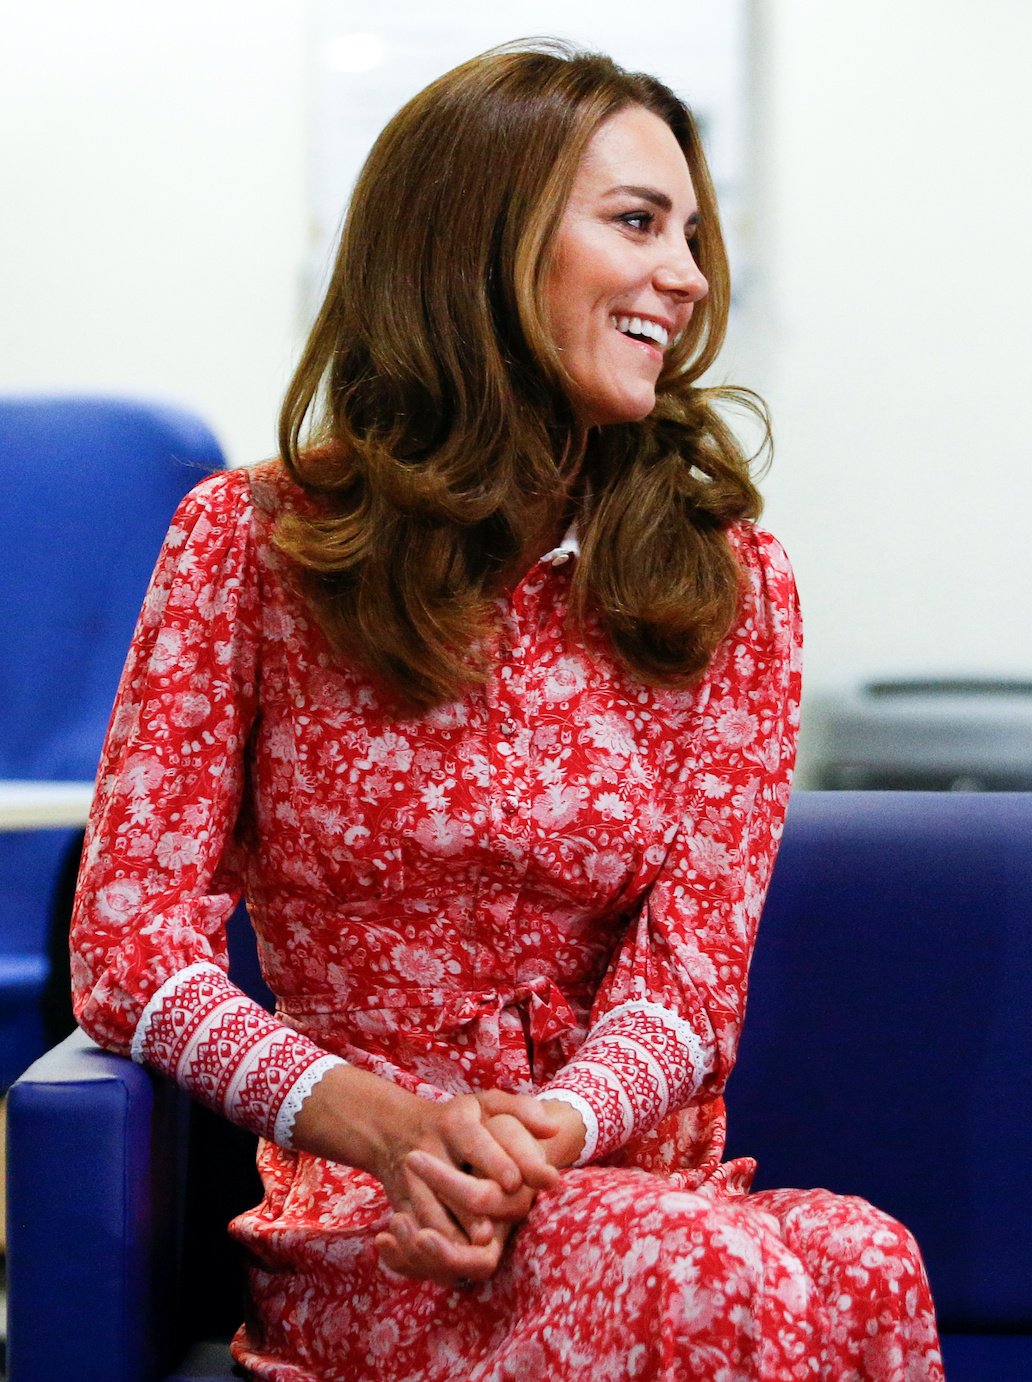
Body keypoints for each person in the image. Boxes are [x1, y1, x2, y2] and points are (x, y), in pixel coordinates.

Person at [69, 41, 941, 1381]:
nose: (690, 277)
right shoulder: (247, 545)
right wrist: (386, 1129)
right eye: (639, 223)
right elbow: (132, 951)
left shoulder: (735, 584)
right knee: (709, 1276)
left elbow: (691, 983)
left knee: (869, 1258)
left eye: (693, 235)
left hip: (612, 1176)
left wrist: (543, 1134)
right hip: (373, 1216)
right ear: (482, 243)